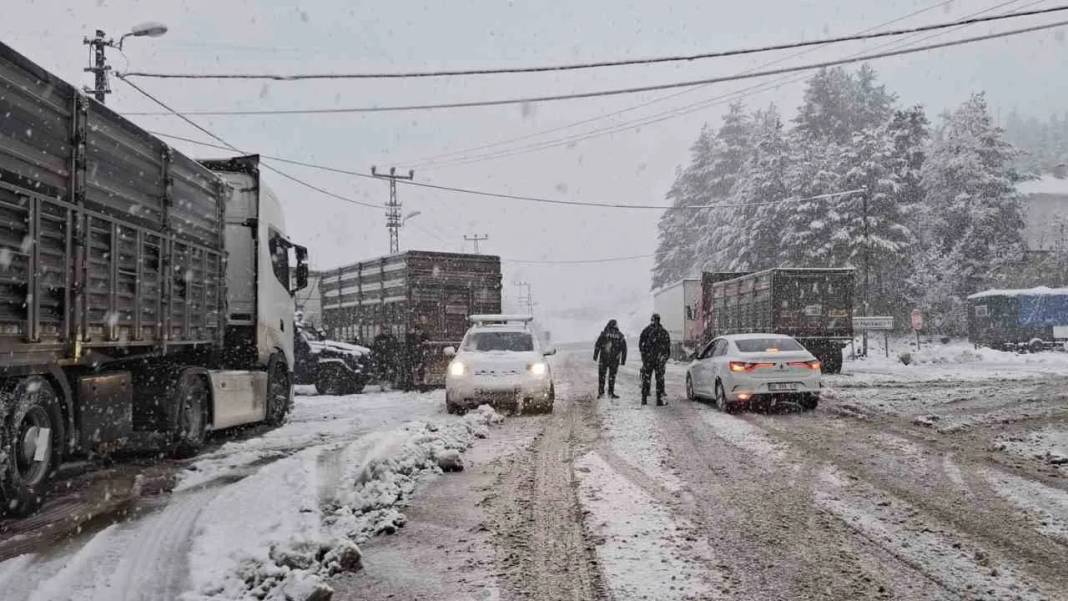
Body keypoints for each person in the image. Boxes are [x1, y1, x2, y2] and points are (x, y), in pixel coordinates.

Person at [638, 313, 671, 406]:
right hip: (659, 360)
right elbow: (667, 348)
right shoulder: (664, 332)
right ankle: (659, 400)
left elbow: (641, 345)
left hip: (648, 359)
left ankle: (644, 399)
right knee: (659, 380)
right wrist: (664, 358)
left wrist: (644, 357)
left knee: (646, 378)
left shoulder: (646, 330)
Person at [593, 319, 627, 399]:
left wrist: (595, 356)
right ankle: (611, 393)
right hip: (614, 360)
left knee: (602, 376)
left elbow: (597, 345)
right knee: (612, 376)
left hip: (604, 358)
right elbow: (624, 349)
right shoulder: (620, 335)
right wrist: (623, 360)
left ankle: (601, 393)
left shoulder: (604, 334)